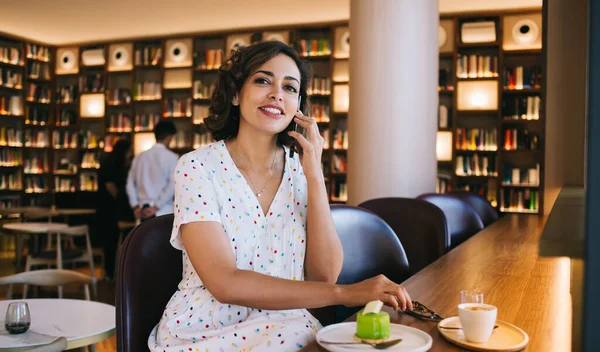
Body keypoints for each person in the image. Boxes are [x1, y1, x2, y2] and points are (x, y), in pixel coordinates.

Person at [147, 41, 412, 351]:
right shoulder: (196, 168)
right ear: (235, 93)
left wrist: (314, 174)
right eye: (262, 80)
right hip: (205, 331)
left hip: (287, 325)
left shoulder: (300, 170)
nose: (276, 94)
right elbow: (224, 283)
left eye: (289, 87)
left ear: (297, 105)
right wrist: (348, 293)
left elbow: (323, 276)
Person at [96, 138, 133, 280]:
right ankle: (110, 272)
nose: (130, 154)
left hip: (109, 207)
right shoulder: (112, 164)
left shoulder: (111, 161)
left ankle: (110, 272)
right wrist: (122, 200)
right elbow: (110, 186)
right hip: (109, 208)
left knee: (110, 241)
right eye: (129, 151)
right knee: (110, 241)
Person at [126, 120, 178, 222]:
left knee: (142, 237)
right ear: (169, 137)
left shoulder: (139, 157)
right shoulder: (172, 157)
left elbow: (130, 184)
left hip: (141, 211)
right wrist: (156, 206)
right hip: (163, 211)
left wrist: (135, 206)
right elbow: (172, 185)